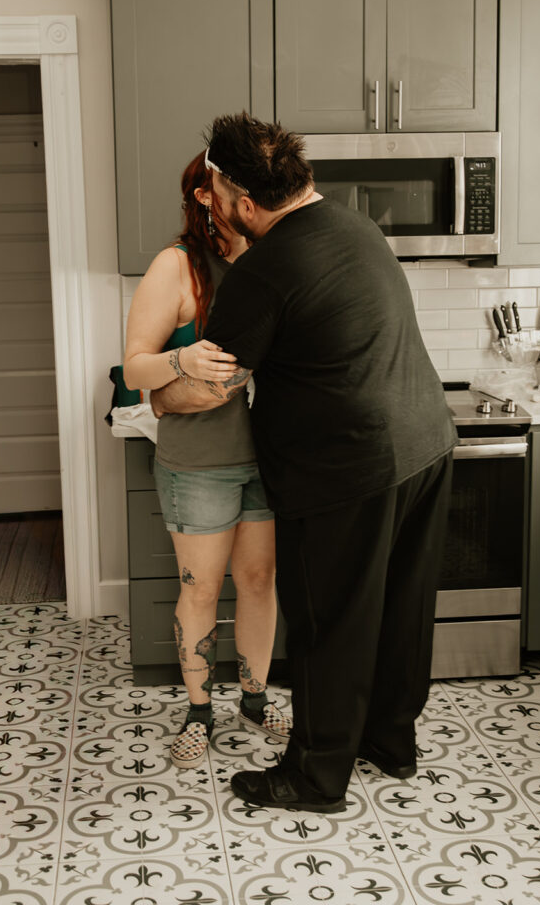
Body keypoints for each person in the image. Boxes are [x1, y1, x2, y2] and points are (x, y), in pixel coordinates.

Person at [150, 112, 457, 812]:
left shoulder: (266, 269)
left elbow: (207, 386)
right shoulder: (356, 225)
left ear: (246, 203)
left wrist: (159, 393)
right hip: (425, 445)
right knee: (399, 612)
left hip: (347, 468)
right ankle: (390, 742)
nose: (217, 207)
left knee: (330, 623)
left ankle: (313, 778)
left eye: (220, 195)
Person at [123, 150, 291, 769]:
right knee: (200, 588)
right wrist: (182, 361)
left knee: (259, 582)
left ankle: (253, 699)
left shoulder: (271, 259)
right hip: (199, 464)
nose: (249, 197)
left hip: (269, 459)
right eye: (234, 186)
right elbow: (136, 365)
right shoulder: (177, 265)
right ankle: (198, 711)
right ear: (205, 195)